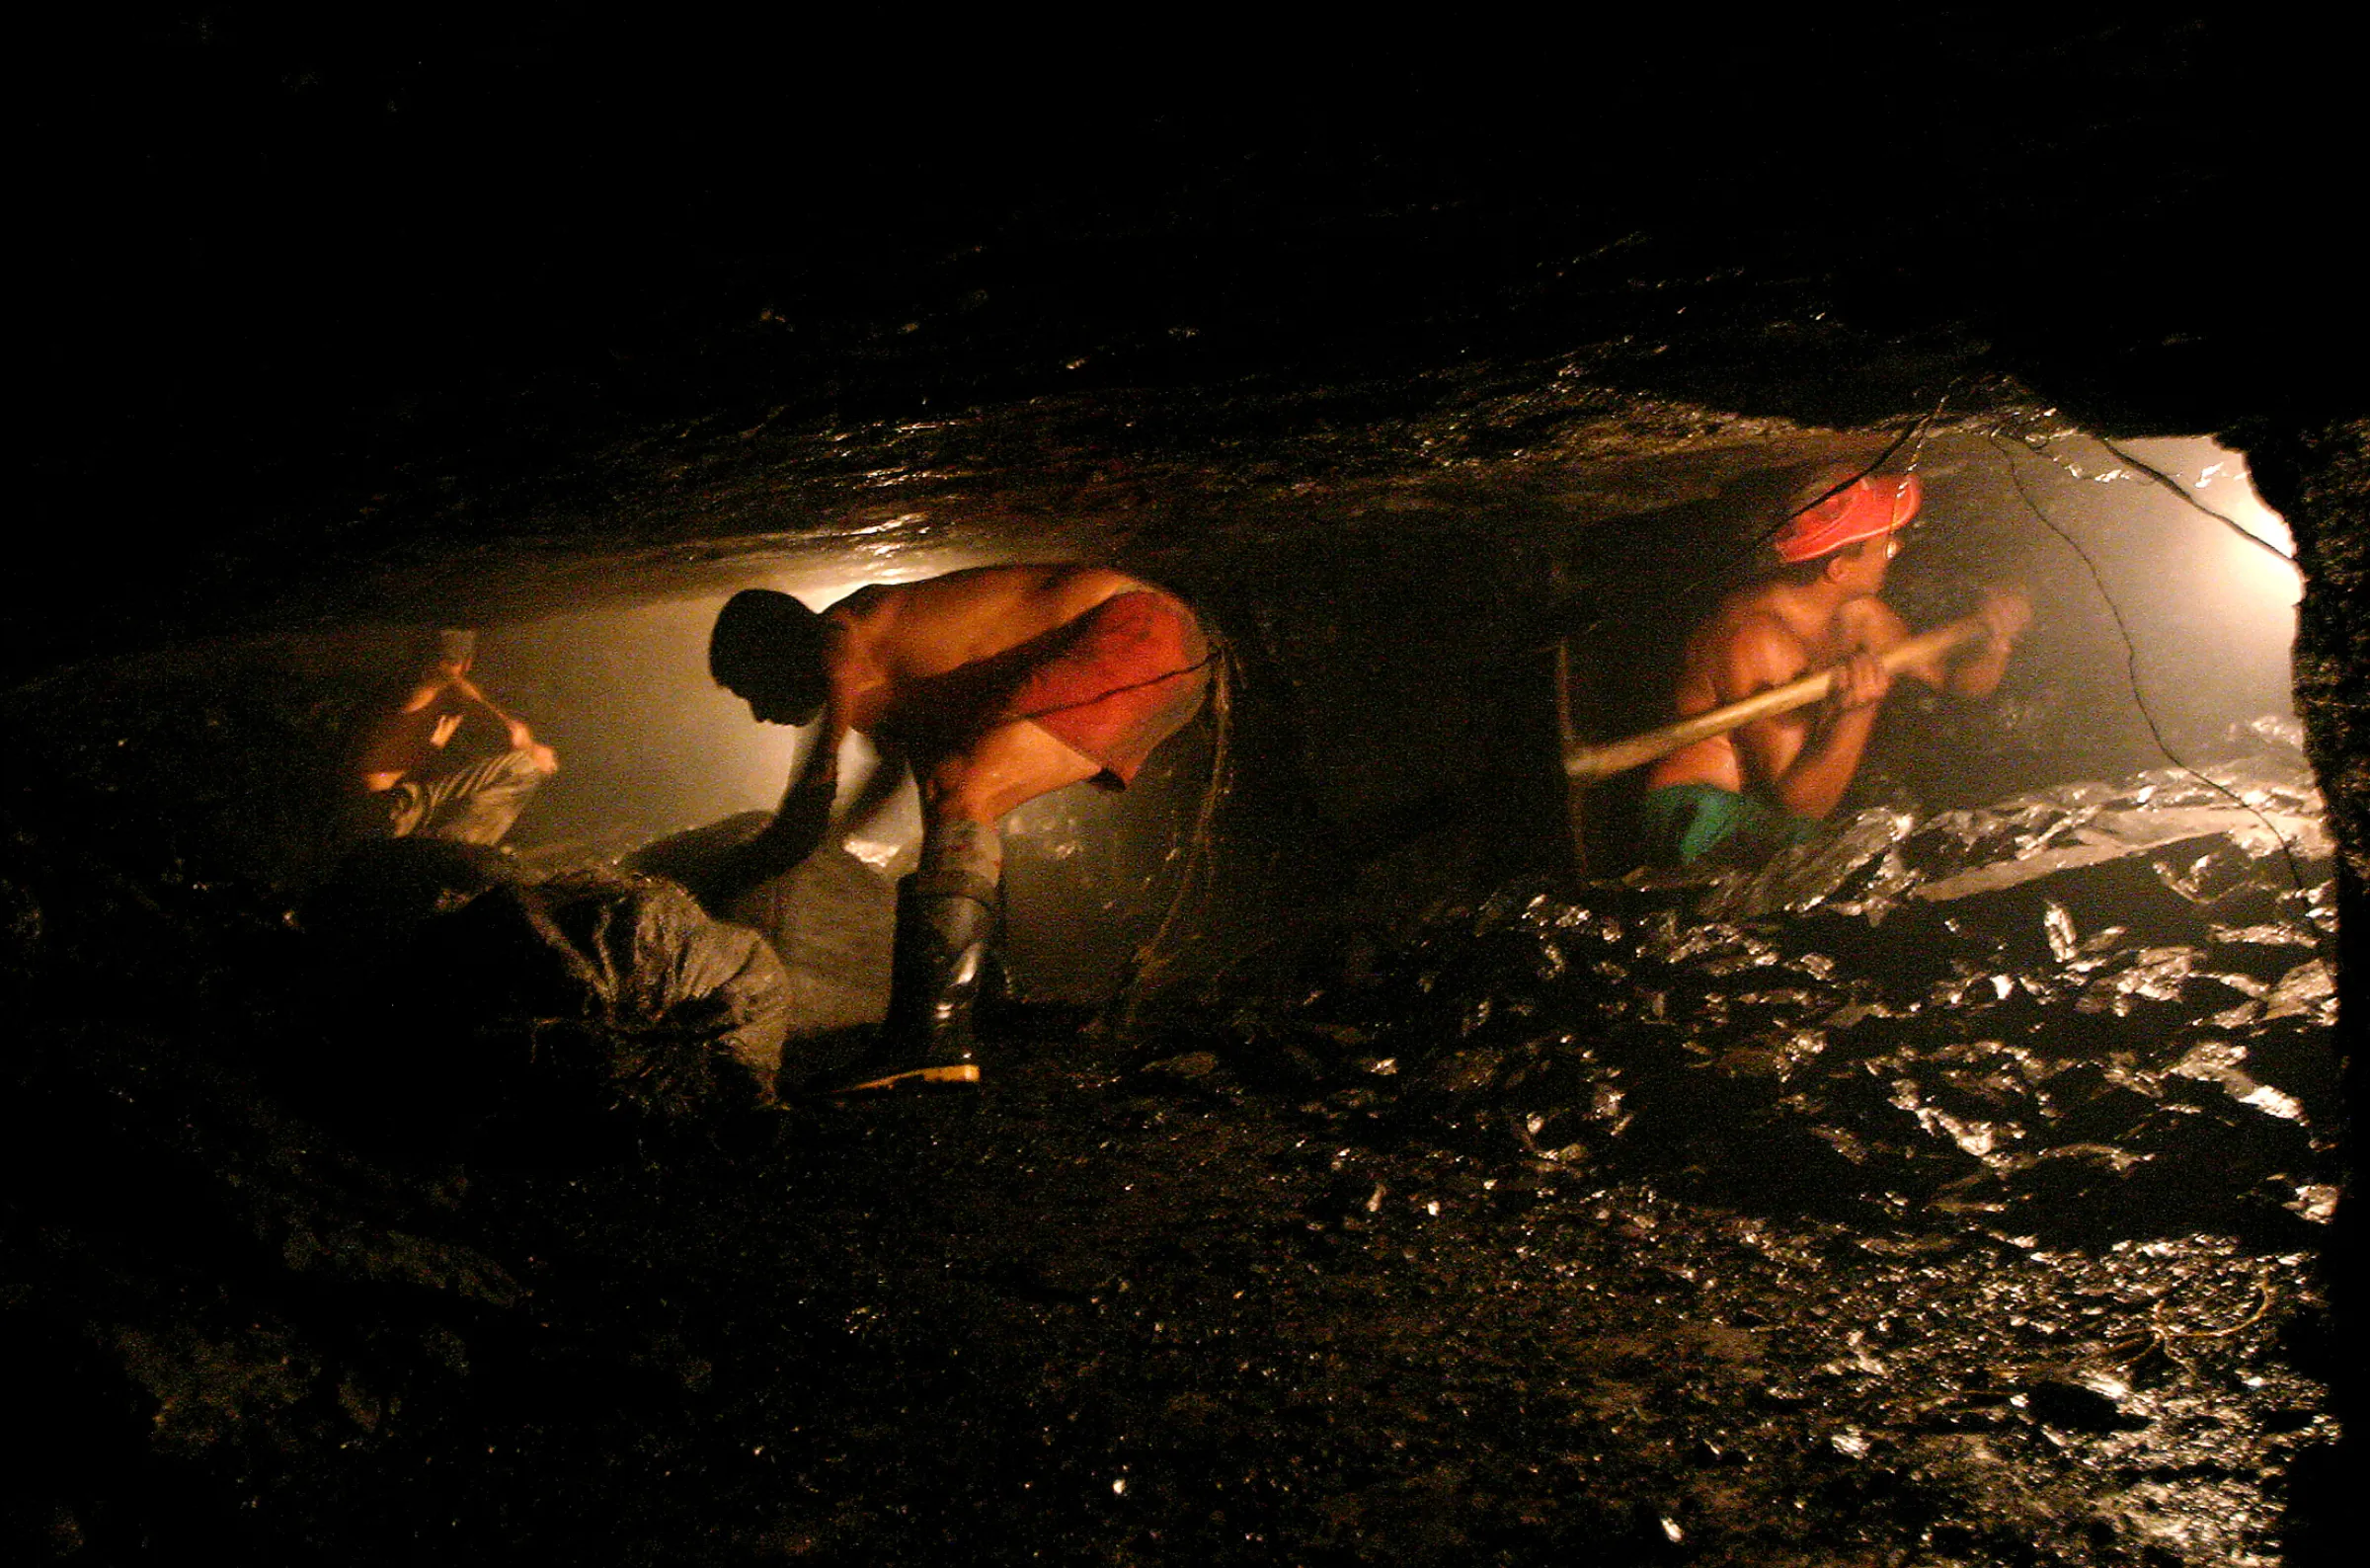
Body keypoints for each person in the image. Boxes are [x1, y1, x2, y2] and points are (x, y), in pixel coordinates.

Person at [708, 565, 1215, 1091]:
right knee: (958, 807)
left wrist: (720, 882)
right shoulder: (912, 676)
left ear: (775, 652)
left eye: (751, 687)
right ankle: (975, 1002)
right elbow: (886, 802)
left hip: (1134, 632)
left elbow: (811, 802)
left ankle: (930, 1042)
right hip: (1161, 640)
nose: (760, 714)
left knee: (964, 788)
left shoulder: (839, 637)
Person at [1640, 467, 2030, 867]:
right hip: (1701, 816)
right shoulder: (1755, 637)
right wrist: (1858, 711)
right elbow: (1800, 804)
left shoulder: (1858, 614)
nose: (1896, 548)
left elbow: (1956, 682)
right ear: (1838, 568)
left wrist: (1997, 640)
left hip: (1769, 806)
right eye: (1885, 543)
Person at [353, 630, 560, 847]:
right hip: (389, 809)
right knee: (523, 767)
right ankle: (451, 856)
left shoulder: (431, 686)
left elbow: (474, 698)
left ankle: (442, 850)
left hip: (391, 806)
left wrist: (522, 738)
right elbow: (372, 783)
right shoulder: (414, 699)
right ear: (465, 664)